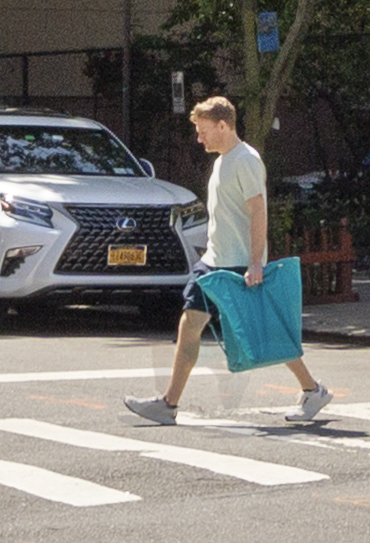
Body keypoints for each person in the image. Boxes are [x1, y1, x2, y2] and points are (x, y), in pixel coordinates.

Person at [135, 93, 330, 430]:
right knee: (189, 324)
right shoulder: (222, 161)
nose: (199, 138)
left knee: (265, 334)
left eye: (203, 131)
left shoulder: (246, 160)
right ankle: (168, 404)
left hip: (238, 265)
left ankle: (313, 390)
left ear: (223, 126)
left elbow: (258, 211)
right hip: (214, 262)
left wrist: (255, 263)